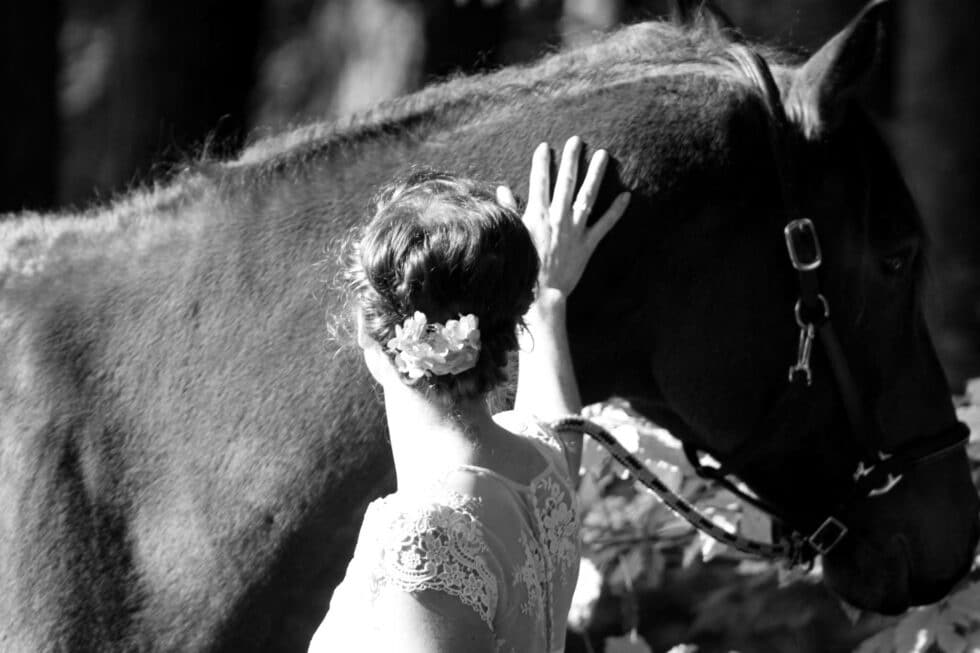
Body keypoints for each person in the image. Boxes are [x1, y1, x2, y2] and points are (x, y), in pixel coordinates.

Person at [309, 136, 630, 653]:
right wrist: (548, 300)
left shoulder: (425, 541)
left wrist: (542, 295)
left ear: (369, 333)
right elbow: (558, 422)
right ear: (500, 331)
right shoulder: (543, 471)